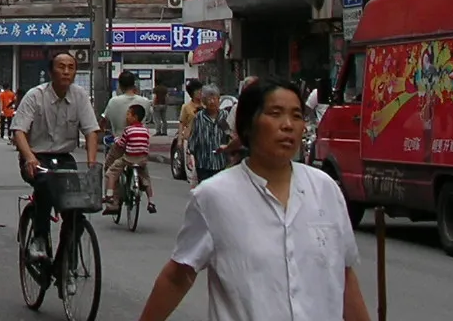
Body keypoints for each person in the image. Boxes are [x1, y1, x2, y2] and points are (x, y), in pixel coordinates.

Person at [136, 78, 371, 321]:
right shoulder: (215, 196)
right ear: (248, 125)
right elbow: (178, 276)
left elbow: (343, 277)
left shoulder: (325, 189)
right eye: (275, 114)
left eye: (297, 115)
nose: (288, 125)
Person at [12, 52, 99, 270]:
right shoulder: (35, 96)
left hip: (63, 158)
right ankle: (39, 239)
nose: (66, 71)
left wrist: (90, 165)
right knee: (45, 183)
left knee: (77, 209)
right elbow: (19, 131)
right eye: (61, 67)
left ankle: (65, 260)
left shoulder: (80, 96)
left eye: (71, 67)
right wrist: (29, 157)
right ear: (51, 71)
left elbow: (91, 132)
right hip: (36, 156)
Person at [105, 102, 156, 215]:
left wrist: (116, 139)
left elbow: (122, 144)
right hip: (142, 160)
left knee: (111, 172)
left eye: (128, 114)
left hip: (129, 158)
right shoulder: (146, 131)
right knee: (146, 180)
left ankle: (109, 195)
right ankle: (151, 202)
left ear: (135, 117)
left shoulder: (128, 130)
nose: (126, 116)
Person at [188, 86, 232, 184]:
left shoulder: (225, 116)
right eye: (209, 99)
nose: (212, 102)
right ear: (204, 101)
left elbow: (229, 135)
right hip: (203, 162)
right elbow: (194, 137)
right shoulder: (199, 117)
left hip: (221, 162)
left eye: (214, 98)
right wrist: (190, 155)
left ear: (218, 100)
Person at [176, 80, 203, 183]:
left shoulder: (206, 105)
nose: (200, 93)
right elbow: (182, 123)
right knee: (191, 166)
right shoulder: (186, 107)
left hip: (203, 138)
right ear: (192, 93)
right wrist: (179, 140)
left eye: (201, 91)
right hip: (190, 138)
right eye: (198, 91)